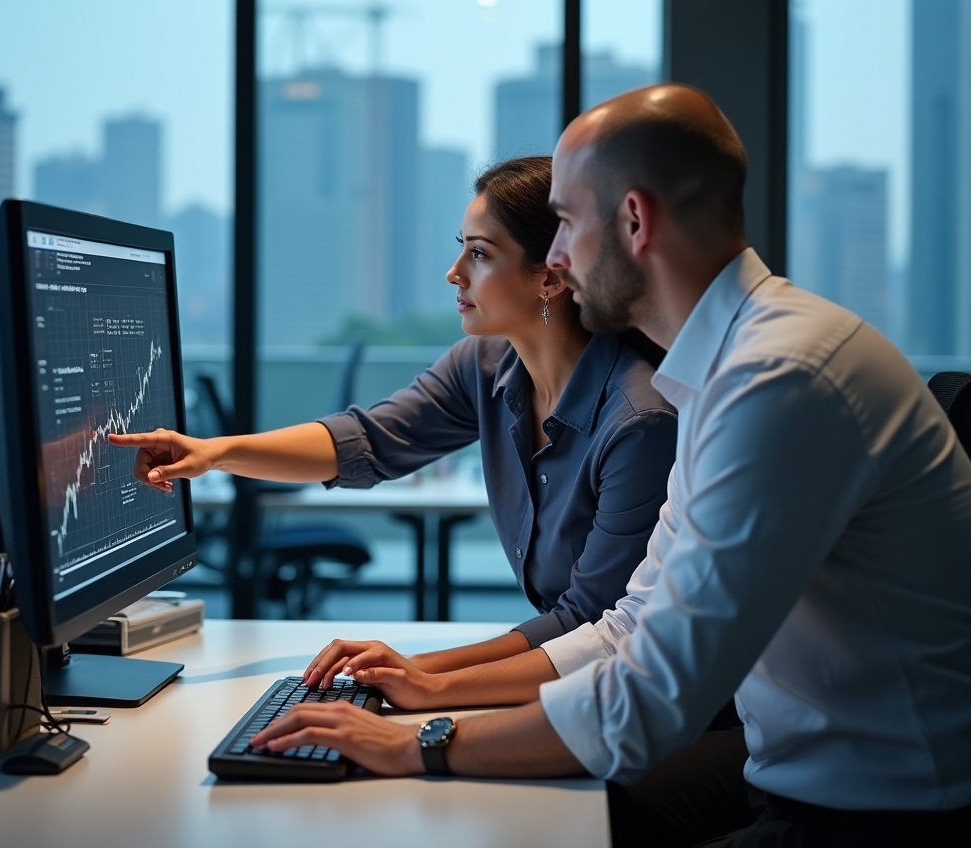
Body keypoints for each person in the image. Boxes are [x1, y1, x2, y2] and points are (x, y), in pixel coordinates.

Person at [248, 84, 971, 847]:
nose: (554, 257)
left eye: (563, 221)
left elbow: (648, 702)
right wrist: (430, 691)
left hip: (885, 815)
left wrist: (419, 740)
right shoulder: (724, 366)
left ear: (633, 221)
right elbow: (627, 627)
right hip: (795, 775)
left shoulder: (779, 379)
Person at [110, 154, 677, 671]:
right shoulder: (486, 365)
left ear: (550, 275)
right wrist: (214, 453)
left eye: (479, 253)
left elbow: (592, 626)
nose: (454, 272)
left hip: (651, 705)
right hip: (572, 677)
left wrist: (417, 672)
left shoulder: (638, 421)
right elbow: (366, 441)